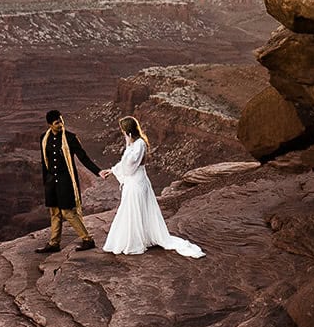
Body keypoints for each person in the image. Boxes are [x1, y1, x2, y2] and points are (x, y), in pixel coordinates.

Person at [99, 116, 204, 258]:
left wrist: (120, 165)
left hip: (137, 183)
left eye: (123, 131)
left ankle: (135, 241)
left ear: (128, 131)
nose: (122, 133)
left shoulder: (139, 144)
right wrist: (112, 170)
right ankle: (138, 237)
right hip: (133, 182)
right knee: (132, 210)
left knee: (134, 209)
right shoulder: (134, 143)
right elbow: (125, 164)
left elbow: (129, 167)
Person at [36, 110, 102, 253]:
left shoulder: (71, 138)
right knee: (54, 212)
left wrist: (98, 171)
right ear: (49, 125)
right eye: (57, 123)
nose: (60, 124)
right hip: (51, 182)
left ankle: (87, 239)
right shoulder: (44, 138)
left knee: (67, 212)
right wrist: (45, 182)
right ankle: (54, 243)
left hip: (66, 181)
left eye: (61, 121)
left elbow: (83, 158)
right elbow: (44, 162)